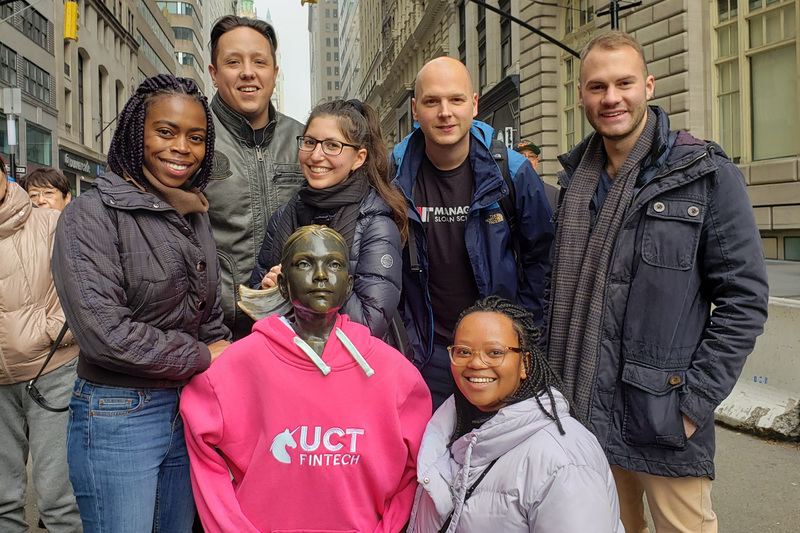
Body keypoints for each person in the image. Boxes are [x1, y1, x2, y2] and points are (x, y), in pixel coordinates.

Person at [545, 31, 769, 533]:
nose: (611, 98)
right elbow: (551, 292)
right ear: (581, 95)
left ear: (647, 85)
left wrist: (692, 405)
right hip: (580, 410)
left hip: (660, 414)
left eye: (624, 83)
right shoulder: (573, 182)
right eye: (597, 87)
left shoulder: (705, 174)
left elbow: (744, 300)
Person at [52, 74, 232, 532]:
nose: (181, 148)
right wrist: (201, 355)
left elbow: (207, 317)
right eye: (166, 132)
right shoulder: (90, 214)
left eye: (196, 138)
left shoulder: (193, 212)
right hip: (118, 413)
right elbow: (105, 334)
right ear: (138, 133)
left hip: (185, 407)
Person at [181, 225, 431, 532]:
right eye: (304, 263)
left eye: (334, 264)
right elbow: (203, 451)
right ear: (283, 285)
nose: (321, 275)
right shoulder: (237, 366)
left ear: (349, 284)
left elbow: (415, 472)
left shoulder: (396, 373)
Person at [391, 56, 554, 409]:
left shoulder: (514, 172)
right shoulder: (392, 176)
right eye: (433, 101)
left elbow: (542, 262)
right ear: (416, 110)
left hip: (498, 356)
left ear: (475, 105)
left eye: (456, 99)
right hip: (424, 356)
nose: (445, 112)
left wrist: (521, 338)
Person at [409, 296, 623, 532]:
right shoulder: (449, 427)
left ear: (525, 364)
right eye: (463, 351)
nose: (476, 362)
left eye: (494, 352)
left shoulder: (563, 462)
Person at [249, 99, 406, 340]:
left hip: (351, 368)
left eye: (332, 145)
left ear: (359, 158)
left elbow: (369, 326)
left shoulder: (375, 224)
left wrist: (297, 289)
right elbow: (258, 301)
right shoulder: (284, 216)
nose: (316, 155)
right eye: (310, 142)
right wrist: (268, 290)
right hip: (289, 359)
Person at [205, 15, 306, 340]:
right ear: (214, 74)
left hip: (297, 326)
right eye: (233, 62)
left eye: (259, 62)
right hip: (217, 334)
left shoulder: (304, 141)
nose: (248, 72)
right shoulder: (193, 138)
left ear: (274, 73)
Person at [0, 158, 81, 531]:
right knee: (2, 501)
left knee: (57, 499)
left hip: (51, 371)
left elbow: (86, 288)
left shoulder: (51, 223)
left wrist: (51, 331)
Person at [514, 139, 559, 211]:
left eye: (531, 156)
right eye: (521, 156)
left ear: (536, 161)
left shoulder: (553, 194)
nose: (527, 160)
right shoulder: (505, 194)